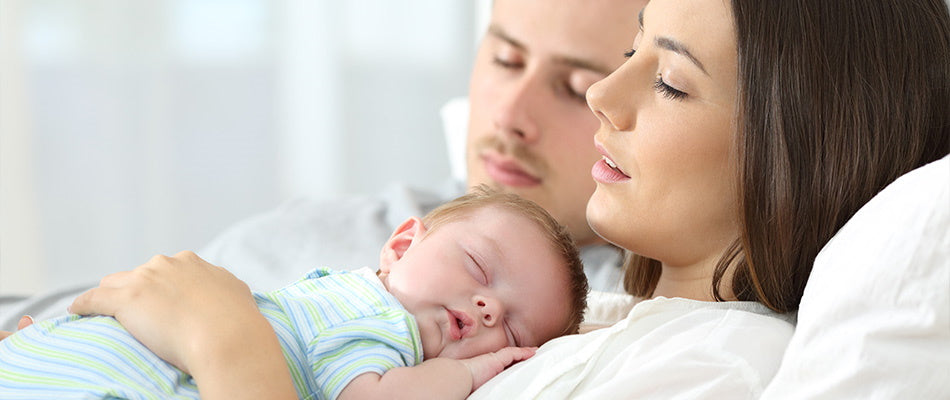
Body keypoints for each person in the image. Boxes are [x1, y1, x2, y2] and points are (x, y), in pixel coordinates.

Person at [57, 0, 949, 398]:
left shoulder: (714, 370)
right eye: (632, 49)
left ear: (794, 151)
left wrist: (228, 342)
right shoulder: (602, 319)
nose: (607, 96)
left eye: (669, 83)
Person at [0, 0, 647, 330]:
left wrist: (228, 345)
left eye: (575, 87)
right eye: (505, 61)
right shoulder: (349, 220)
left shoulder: (604, 316)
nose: (510, 115)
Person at [0, 187, 589, 399]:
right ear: (402, 245)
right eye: (478, 267)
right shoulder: (385, 324)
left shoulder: (385, 335)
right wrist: (472, 371)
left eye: (512, 331)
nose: (488, 309)